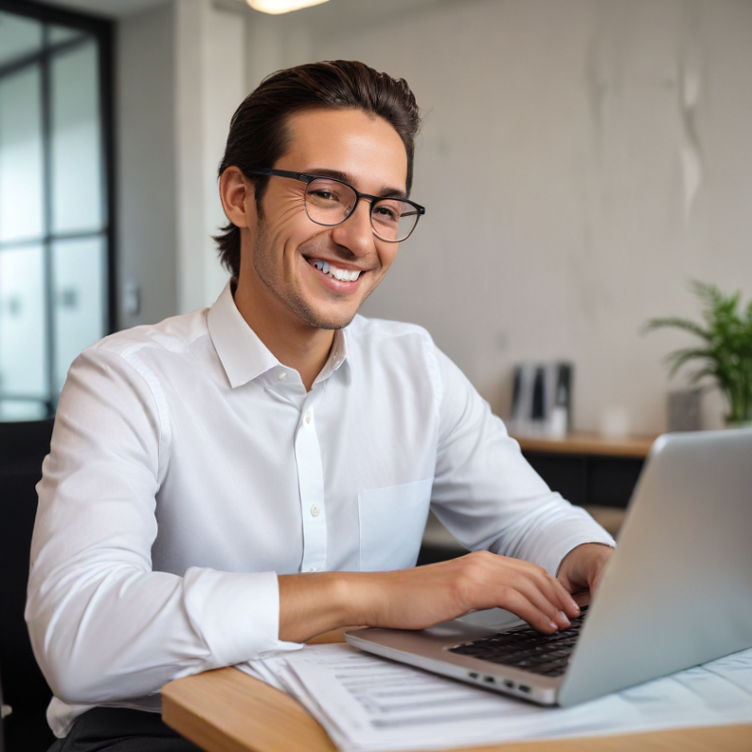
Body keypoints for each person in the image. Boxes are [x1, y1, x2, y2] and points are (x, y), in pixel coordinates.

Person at [27, 60, 614, 751]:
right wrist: (367, 595)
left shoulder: (414, 366)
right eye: (327, 194)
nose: (360, 240)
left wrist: (588, 555)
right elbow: (79, 634)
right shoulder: (125, 379)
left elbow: (529, 518)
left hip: (360, 715)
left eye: (386, 209)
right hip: (157, 727)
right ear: (240, 196)